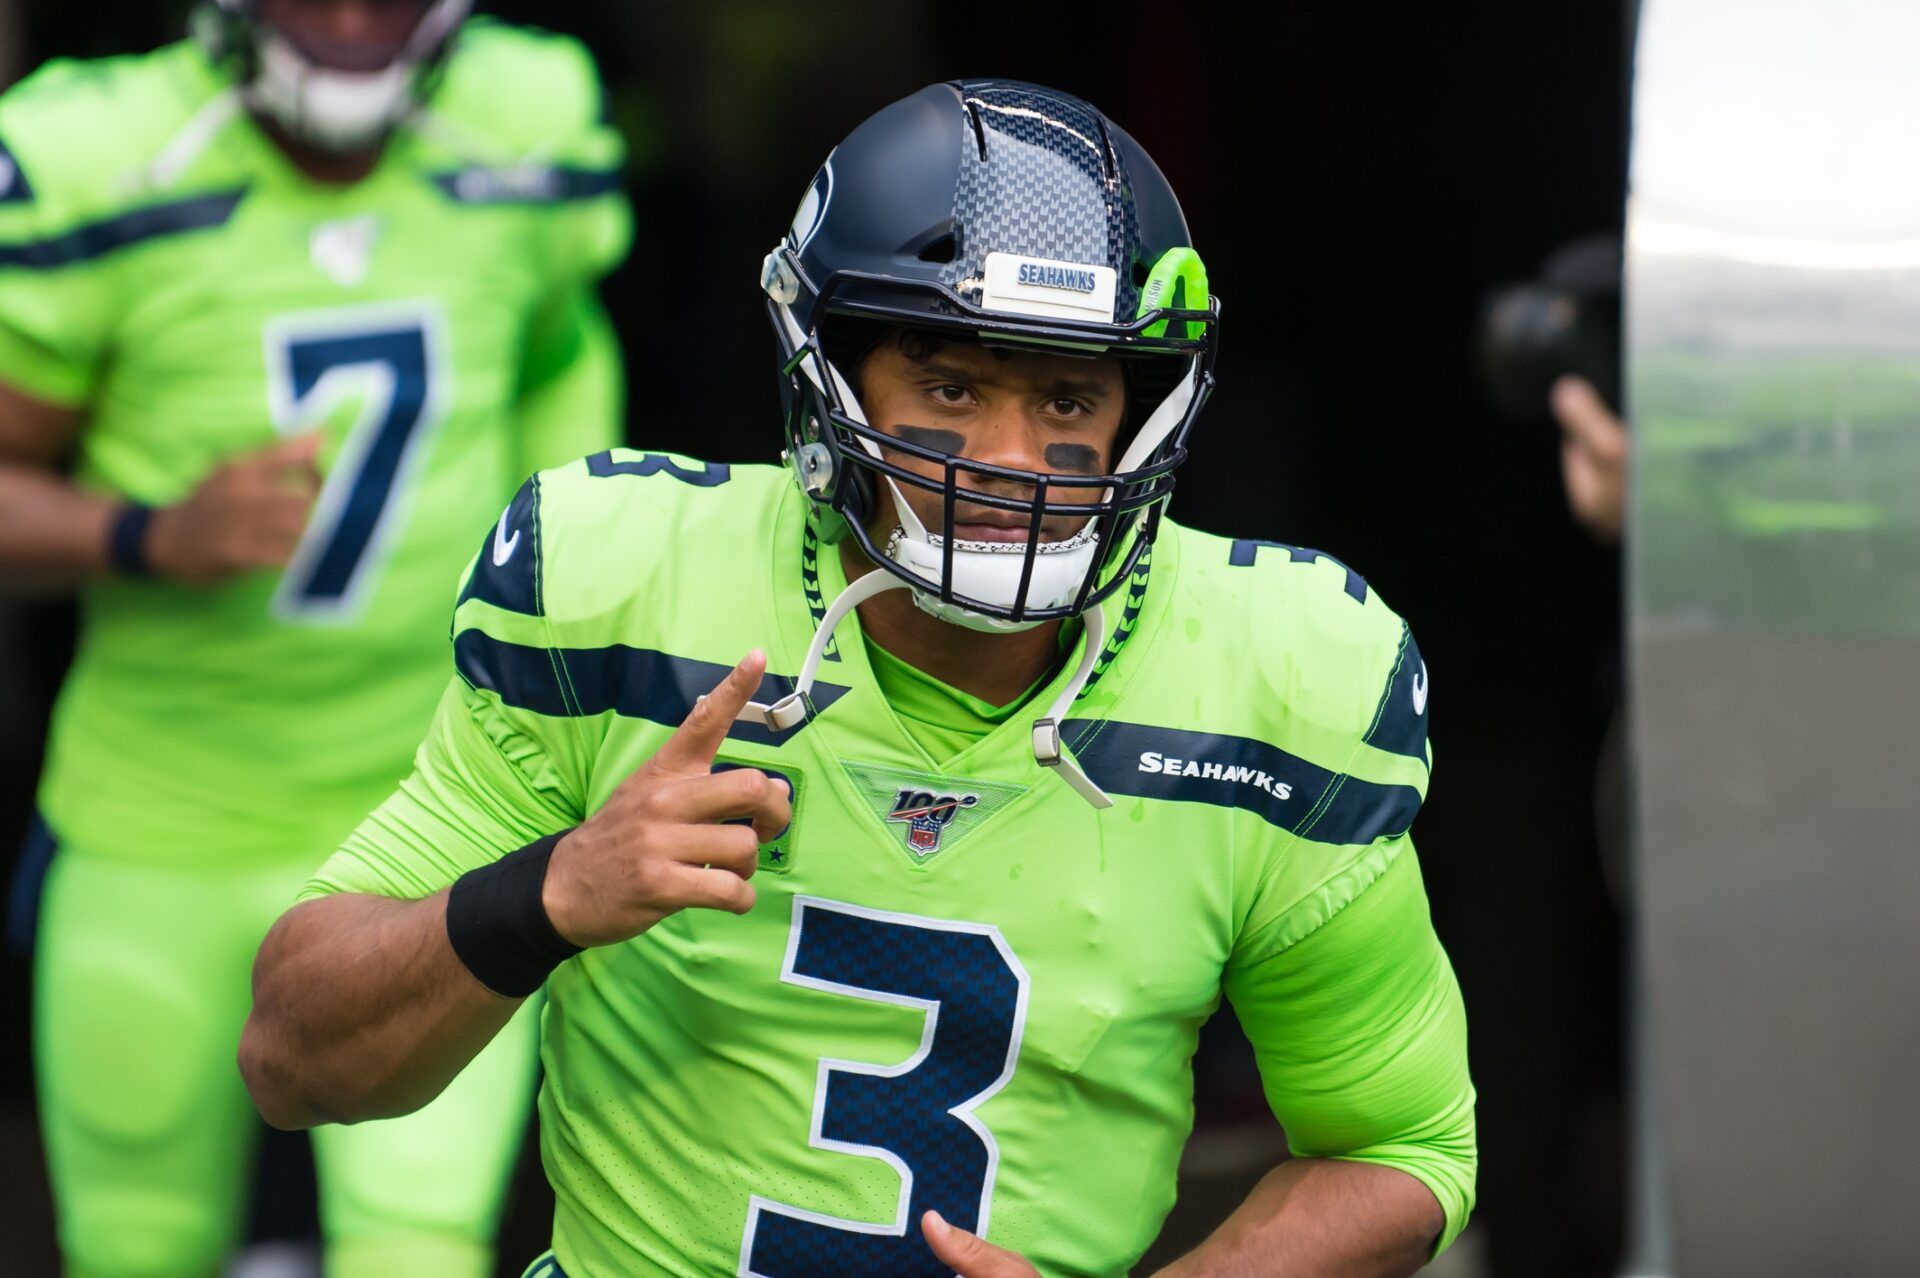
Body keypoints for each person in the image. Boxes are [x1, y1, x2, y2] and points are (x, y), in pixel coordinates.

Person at [240, 80, 1475, 1278]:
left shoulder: (1280, 675)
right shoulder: (622, 585)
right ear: (829, 378)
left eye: (1066, 396)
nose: (1009, 459)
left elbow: (1404, 1147)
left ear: (1141, 414)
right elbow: (297, 1060)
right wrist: (551, 890)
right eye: (950, 385)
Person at [0, 0, 630, 1273]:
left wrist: (561, 580)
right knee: (137, 1245)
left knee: (419, 1249)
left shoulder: (527, 114)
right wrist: (143, 534)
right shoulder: (90, 151)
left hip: (432, 814)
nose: (348, 18)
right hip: (155, 820)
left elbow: (559, 353)